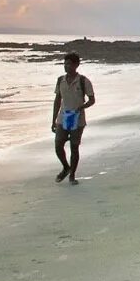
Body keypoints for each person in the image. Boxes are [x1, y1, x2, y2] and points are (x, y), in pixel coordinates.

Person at [51, 52, 95, 185]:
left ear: (76, 65)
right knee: (58, 144)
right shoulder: (60, 80)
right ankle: (66, 167)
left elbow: (92, 100)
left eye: (69, 64)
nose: (66, 66)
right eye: (65, 63)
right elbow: (57, 100)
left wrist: (81, 107)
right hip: (63, 117)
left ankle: (72, 176)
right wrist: (53, 119)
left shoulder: (83, 81)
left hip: (77, 119)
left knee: (74, 147)